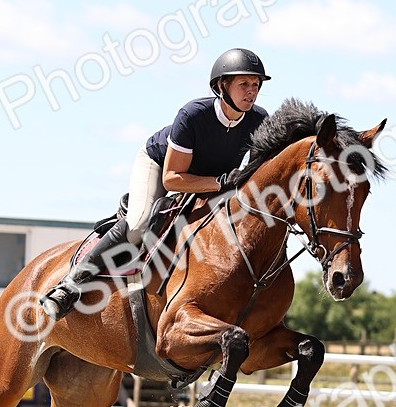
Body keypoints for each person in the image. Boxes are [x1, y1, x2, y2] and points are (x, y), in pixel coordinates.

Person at [41, 47, 270, 320]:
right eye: (243, 83)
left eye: (256, 85)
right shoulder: (193, 115)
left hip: (213, 179)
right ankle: (70, 285)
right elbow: (172, 178)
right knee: (138, 225)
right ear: (222, 85)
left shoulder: (259, 120)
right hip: (161, 166)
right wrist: (220, 182)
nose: (252, 91)